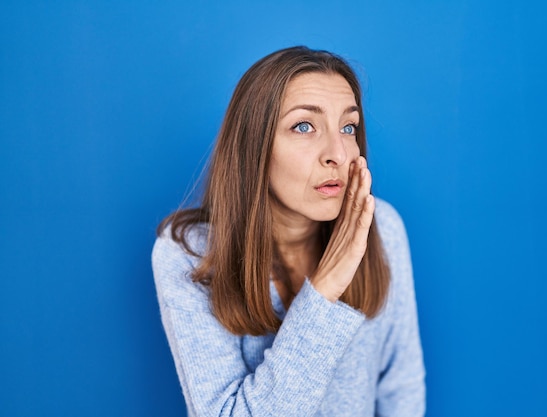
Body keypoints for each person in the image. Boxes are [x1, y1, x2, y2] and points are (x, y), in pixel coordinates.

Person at [152, 46, 426, 416]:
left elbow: (401, 389)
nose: (339, 154)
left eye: (348, 127)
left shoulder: (382, 228)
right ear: (254, 147)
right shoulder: (189, 254)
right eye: (304, 126)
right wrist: (324, 290)